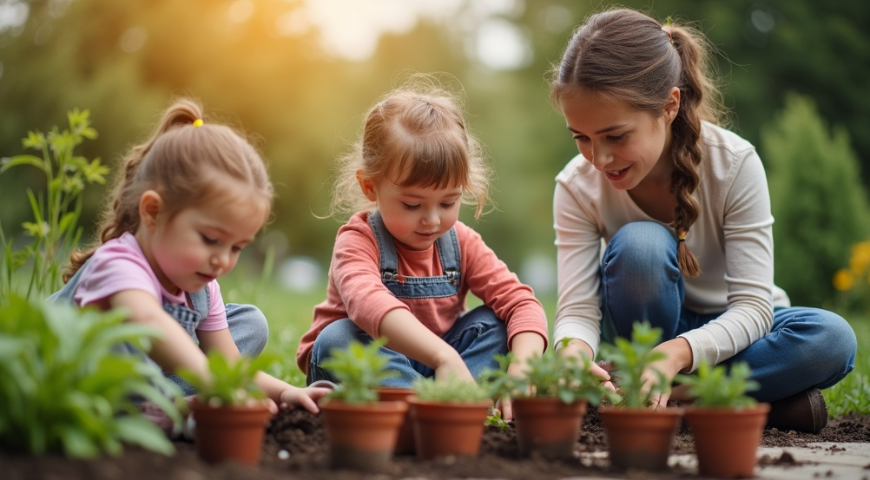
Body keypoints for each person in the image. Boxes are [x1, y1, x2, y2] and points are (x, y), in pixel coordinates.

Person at [549, 8, 856, 432]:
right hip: (643, 337)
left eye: (616, 136)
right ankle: (729, 402)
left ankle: (667, 399)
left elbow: (753, 308)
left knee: (832, 339)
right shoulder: (575, 186)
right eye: (581, 137)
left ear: (669, 106)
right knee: (640, 247)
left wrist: (676, 355)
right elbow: (579, 309)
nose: (598, 158)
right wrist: (572, 354)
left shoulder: (734, 164)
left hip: (733, 332)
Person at [50, 98, 330, 427]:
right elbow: (147, 319)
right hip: (73, 386)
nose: (223, 260)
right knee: (127, 333)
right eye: (211, 239)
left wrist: (286, 392)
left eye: (237, 247)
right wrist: (219, 389)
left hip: (148, 385)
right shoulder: (119, 262)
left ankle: (166, 406)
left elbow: (229, 363)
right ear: (153, 212)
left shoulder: (202, 286)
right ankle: (161, 410)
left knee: (248, 325)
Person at [296, 81, 548, 419]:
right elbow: (371, 305)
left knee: (496, 325)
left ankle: (445, 404)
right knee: (337, 339)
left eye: (448, 202)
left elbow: (521, 303)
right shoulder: (358, 240)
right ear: (370, 186)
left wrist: (522, 369)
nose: (431, 219)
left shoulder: (461, 242)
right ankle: (445, 406)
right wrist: (443, 357)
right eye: (412, 204)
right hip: (380, 366)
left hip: (444, 367)